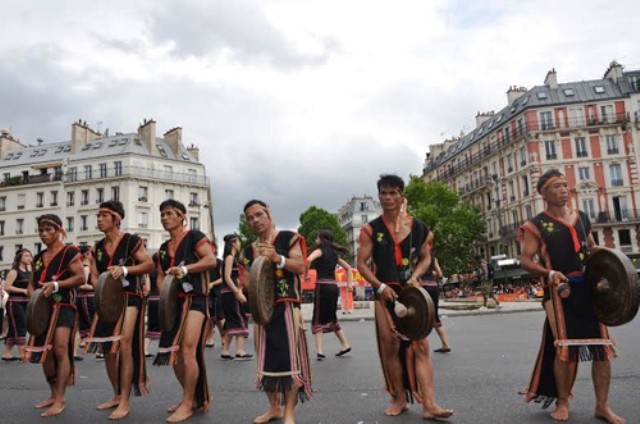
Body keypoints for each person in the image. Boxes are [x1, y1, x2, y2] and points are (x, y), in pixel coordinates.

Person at [519, 169, 625, 424]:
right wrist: (550, 272)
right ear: (544, 192)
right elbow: (525, 260)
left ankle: (602, 406)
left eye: (566, 185)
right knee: (565, 348)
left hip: (589, 289)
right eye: (557, 186)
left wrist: (615, 261)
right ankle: (563, 402)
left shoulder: (581, 217)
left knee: (602, 348)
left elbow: (590, 248)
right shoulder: (535, 225)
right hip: (558, 292)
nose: (564, 190)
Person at [356, 174, 453, 420]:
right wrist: (378, 287)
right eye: (384, 193)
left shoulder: (419, 228)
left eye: (393, 193)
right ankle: (399, 398)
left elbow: (426, 257)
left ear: (401, 195)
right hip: (384, 293)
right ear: (379, 197)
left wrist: (417, 276)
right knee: (391, 346)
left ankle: (429, 404)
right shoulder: (371, 229)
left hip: (412, 293)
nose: (388, 198)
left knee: (421, 346)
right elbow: (361, 264)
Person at [241, 200, 313, 424]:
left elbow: (301, 267)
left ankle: (289, 412)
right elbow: (244, 281)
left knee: (289, 360)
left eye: (258, 214)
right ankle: (274, 407)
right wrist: (253, 283)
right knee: (264, 359)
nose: (255, 220)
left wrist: (276, 259)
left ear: (268, 214)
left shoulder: (289, 238)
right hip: (262, 310)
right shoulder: (248, 250)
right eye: (250, 218)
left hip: (287, 305)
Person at [83, 200, 154, 420]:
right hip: (108, 302)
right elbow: (94, 276)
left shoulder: (131, 241)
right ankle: (116, 394)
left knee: (124, 344)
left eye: (104, 215)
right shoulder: (96, 248)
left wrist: (125, 269)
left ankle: (125, 400)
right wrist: (103, 291)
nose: (99, 219)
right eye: (98, 216)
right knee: (106, 348)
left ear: (117, 218)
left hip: (130, 298)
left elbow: (149, 265)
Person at [153, 199, 216, 422]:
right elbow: (161, 277)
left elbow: (210, 260)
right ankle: (190, 397)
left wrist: (185, 269)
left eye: (169, 213)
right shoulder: (162, 249)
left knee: (188, 349)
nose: (164, 217)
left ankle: (189, 403)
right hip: (174, 304)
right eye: (162, 214)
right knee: (175, 352)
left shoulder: (194, 237)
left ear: (182, 217)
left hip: (195, 299)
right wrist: (165, 295)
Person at [24, 214, 85, 417]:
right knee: (46, 352)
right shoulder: (37, 257)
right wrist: (33, 296)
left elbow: (80, 277)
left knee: (60, 348)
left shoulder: (70, 252)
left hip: (63, 305)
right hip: (43, 310)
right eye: (41, 230)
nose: (44, 234)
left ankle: (60, 398)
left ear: (59, 230)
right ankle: (52, 393)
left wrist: (57, 285)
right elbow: (32, 283)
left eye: (48, 229)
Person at [305, 230, 352, 360]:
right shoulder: (334, 254)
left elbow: (308, 260)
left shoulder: (320, 250)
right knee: (331, 317)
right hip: (333, 287)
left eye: (317, 238)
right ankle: (345, 344)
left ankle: (320, 351)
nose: (315, 241)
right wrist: (349, 284)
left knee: (318, 317)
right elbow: (348, 268)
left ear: (322, 239)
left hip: (322, 286)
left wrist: (306, 275)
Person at [220, 234, 252, 360]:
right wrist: (237, 292)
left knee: (230, 321)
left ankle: (225, 351)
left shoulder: (230, 258)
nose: (240, 244)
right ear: (233, 243)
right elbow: (227, 277)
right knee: (239, 318)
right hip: (230, 292)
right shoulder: (229, 258)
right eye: (238, 241)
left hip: (228, 292)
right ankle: (240, 351)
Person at [3, 249, 32, 361]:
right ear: (20, 257)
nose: (29, 258)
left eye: (30, 256)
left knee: (13, 329)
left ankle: (7, 353)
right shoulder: (14, 271)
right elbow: (7, 287)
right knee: (20, 326)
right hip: (14, 302)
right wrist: (23, 290)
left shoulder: (29, 272)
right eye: (26, 256)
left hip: (26, 302)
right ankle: (22, 354)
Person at [421, 255, 451, 353]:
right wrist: (432, 273)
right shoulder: (433, 258)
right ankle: (445, 344)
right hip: (434, 287)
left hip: (423, 287)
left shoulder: (417, 255)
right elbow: (440, 274)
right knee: (434, 316)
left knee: (420, 317)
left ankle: (420, 345)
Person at [73, 246, 94, 361]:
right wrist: (97, 287)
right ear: (86, 254)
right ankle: (101, 351)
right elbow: (82, 285)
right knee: (94, 324)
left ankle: (73, 352)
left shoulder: (83, 267)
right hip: (87, 298)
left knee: (82, 328)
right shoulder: (85, 268)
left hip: (83, 298)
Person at [205, 253, 224, 348]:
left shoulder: (219, 262)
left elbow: (222, 278)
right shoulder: (204, 263)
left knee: (220, 317)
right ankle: (210, 338)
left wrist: (212, 283)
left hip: (217, 292)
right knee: (209, 318)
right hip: (207, 293)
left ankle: (224, 337)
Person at [144, 253, 161, 357]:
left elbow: (148, 288)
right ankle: (165, 350)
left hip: (151, 300)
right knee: (167, 326)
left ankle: (145, 349)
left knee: (151, 326)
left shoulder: (149, 271)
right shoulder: (163, 271)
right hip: (161, 300)